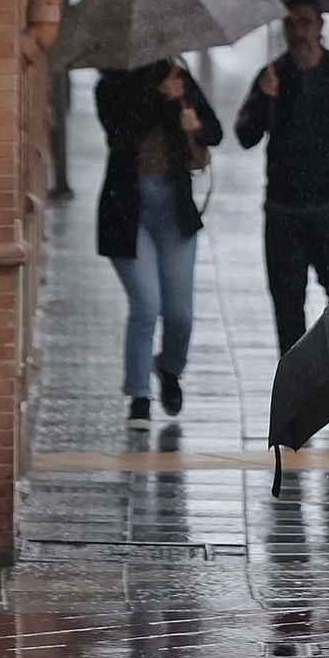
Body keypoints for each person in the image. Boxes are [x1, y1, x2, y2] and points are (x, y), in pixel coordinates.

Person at [235, 0, 329, 351]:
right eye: (290, 23)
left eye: (305, 22)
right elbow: (245, 136)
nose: (298, 31)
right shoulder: (273, 75)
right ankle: (296, 384)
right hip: (284, 213)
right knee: (288, 312)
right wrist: (263, 98)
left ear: (320, 26)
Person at [95, 59, 222, 426]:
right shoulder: (111, 86)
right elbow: (120, 136)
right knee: (146, 304)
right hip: (127, 211)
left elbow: (215, 132)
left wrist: (195, 124)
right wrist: (158, 98)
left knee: (180, 313)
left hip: (174, 212)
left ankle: (169, 366)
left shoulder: (178, 77)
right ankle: (138, 395)